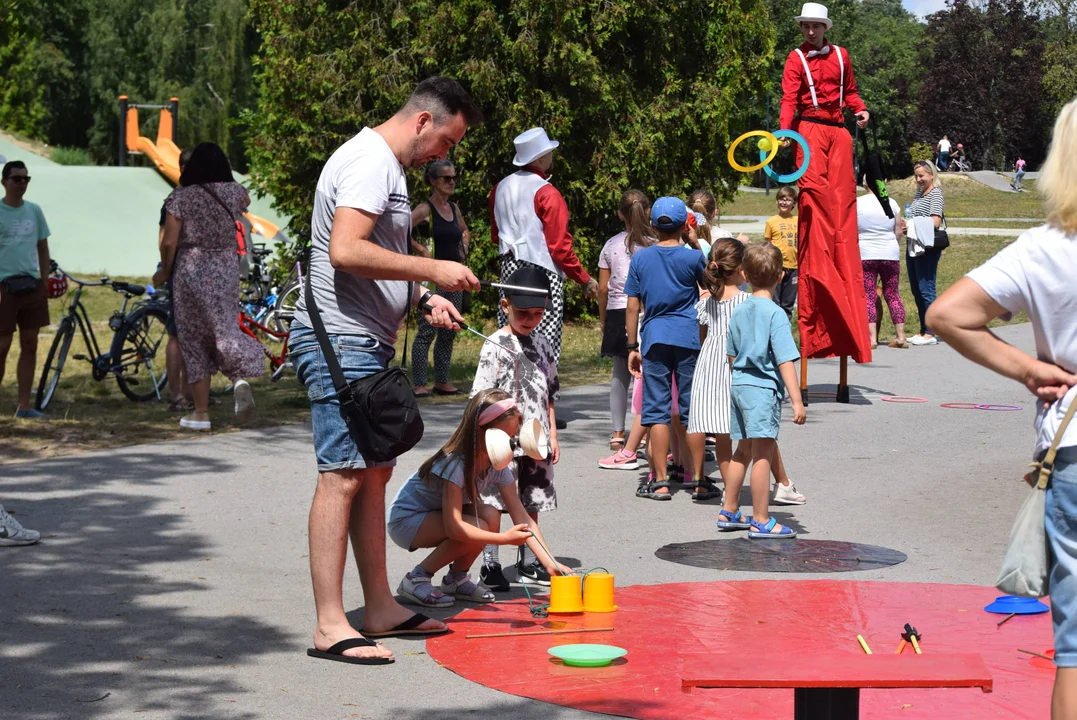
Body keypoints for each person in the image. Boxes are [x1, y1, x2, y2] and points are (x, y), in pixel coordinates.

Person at [287, 77, 483, 665]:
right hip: (338, 342)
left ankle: (378, 608)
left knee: (372, 472)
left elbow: (374, 258)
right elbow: (346, 250)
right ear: (424, 122)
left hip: (365, 343)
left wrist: (421, 295)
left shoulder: (388, 168)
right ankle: (329, 624)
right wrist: (435, 267)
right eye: (447, 141)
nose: (446, 155)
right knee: (341, 475)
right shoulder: (371, 161)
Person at [927, 97, 1077, 720]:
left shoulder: (1045, 249)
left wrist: (1028, 368)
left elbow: (945, 314)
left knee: (1073, 650)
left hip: (1074, 451)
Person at [387, 388, 570, 607]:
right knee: (480, 524)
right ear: (479, 432)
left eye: (513, 437)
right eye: (505, 437)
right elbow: (454, 527)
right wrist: (504, 539)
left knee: (490, 513)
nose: (511, 445)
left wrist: (549, 562)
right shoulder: (455, 464)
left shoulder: (497, 465)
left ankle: (456, 579)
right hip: (406, 521)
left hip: (432, 516)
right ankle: (416, 578)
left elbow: (522, 517)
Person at [780, 2, 872, 365]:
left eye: (816, 26)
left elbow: (850, 93)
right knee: (815, 203)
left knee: (842, 207)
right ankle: (819, 269)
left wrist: (860, 109)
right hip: (809, 132)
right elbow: (789, 99)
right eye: (806, 27)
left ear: (825, 28)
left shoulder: (842, 55)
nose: (810, 32)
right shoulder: (795, 59)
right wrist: (785, 133)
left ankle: (841, 267)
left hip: (839, 133)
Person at [157, 142, 265, 430]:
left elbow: (169, 241)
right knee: (223, 326)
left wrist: (164, 272)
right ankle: (238, 378)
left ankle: (201, 413)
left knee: (193, 337)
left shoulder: (180, 198)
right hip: (225, 266)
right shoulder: (234, 193)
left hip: (191, 267)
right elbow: (246, 200)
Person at [471, 266, 560, 589]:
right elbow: (480, 397)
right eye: (524, 312)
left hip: (536, 440)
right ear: (505, 305)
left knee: (532, 500)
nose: (531, 319)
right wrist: (482, 441)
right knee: (493, 501)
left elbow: (550, 393)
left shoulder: (544, 344)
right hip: (499, 441)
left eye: (538, 314)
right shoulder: (494, 344)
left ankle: (529, 560)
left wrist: (552, 435)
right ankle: (490, 564)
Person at [717, 243, 806, 538]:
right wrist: (797, 401)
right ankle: (761, 518)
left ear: (744, 274)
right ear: (780, 276)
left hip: (739, 385)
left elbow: (730, 355)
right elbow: (784, 360)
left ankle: (729, 509)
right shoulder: (776, 314)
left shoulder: (739, 310)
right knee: (763, 454)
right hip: (761, 389)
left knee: (742, 450)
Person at [490, 127, 598, 367]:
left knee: (510, 333)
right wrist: (583, 279)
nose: (552, 157)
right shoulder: (547, 192)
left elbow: (495, 235)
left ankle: (508, 390)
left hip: (508, 266)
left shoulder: (499, 188)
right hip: (541, 270)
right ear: (540, 158)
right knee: (543, 337)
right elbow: (559, 247)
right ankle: (543, 393)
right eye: (549, 152)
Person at [626, 197, 705, 501]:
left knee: (656, 412)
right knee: (691, 412)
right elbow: (710, 286)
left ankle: (660, 482)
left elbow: (633, 306)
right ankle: (697, 481)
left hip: (655, 339)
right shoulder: (692, 259)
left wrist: (633, 345)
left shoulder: (641, 260)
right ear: (685, 225)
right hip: (688, 339)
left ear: (653, 226)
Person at [686, 239, 748, 502]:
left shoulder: (708, 301)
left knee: (711, 427)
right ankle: (732, 491)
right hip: (734, 366)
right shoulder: (746, 302)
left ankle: (714, 483)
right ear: (738, 269)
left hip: (709, 363)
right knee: (737, 433)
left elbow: (703, 336)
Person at [598, 190, 653, 452]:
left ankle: (618, 432)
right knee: (652, 375)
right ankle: (650, 429)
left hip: (619, 311)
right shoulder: (656, 243)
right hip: (650, 310)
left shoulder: (610, 245)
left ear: (620, 214)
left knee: (620, 375)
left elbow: (603, 288)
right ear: (649, 212)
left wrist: (603, 318)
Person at [410, 159, 470, 397]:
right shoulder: (425, 209)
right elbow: (400, 229)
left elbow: (464, 230)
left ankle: (442, 382)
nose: (452, 181)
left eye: (454, 177)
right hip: (430, 278)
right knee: (426, 331)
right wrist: (421, 250)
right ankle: (419, 383)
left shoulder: (454, 208)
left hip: (453, 279)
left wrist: (464, 246)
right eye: (446, 178)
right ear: (433, 182)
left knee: (449, 329)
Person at [0, 161, 50, 419]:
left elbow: (42, 246)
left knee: (30, 344)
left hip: (31, 284)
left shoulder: (34, 211)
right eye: (17, 179)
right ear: (4, 181)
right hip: (4, 286)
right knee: (2, 345)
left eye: (26, 179)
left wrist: (45, 280)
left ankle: (24, 406)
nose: (22, 183)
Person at [154, 148, 194, 411]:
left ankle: (192, 392)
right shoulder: (175, 200)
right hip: (181, 273)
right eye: (183, 165)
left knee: (194, 337)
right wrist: (166, 270)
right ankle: (177, 393)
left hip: (191, 272)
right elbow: (164, 241)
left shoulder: (190, 197)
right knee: (178, 336)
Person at [856, 170, 907, 349]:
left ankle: (871, 339)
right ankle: (901, 337)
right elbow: (899, 229)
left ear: (864, 184)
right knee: (892, 294)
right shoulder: (891, 203)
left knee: (868, 295)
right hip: (890, 254)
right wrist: (894, 246)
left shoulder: (858, 203)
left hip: (866, 254)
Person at [904, 160, 945, 346]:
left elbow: (935, 221)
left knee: (926, 288)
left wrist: (912, 224)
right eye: (916, 176)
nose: (918, 179)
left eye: (921, 176)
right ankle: (923, 329)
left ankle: (931, 332)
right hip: (914, 244)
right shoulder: (919, 193)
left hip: (927, 247)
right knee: (916, 288)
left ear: (931, 175)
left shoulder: (935, 194)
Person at [763, 186, 799, 317]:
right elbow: (768, 243)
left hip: (794, 266)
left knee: (788, 303)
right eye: (781, 199)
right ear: (777, 201)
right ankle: (772, 332)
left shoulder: (798, 220)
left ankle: (785, 330)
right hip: (777, 266)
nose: (784, 202)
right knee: (775, 301)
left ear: (794, 203)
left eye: (788, 200)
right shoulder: (771, 221)